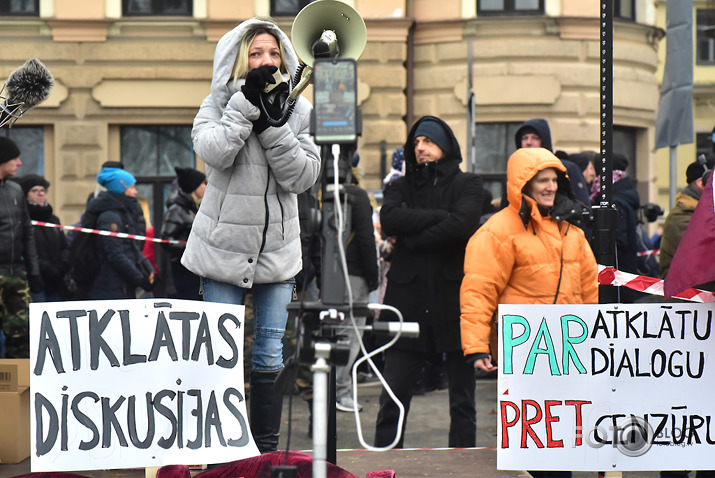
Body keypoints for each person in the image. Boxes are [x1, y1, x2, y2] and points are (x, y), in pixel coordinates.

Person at [180, 17, 320, 454]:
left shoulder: (300, 111)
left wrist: (273, 125)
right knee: (220, 356)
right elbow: (214, 152)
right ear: (240, 59)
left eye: (274, 53)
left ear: (285, 60)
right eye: (256, 53)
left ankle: (265, 451)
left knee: (269, 354)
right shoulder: (218, 102)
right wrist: (246, 106)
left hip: (277, 253)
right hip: (221, 252)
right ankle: (222, 448)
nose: (266, 60)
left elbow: (303, 176)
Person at [461, 147, 596, 478]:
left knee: (561, 442)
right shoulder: (498, 231)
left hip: (567, 354)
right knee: (532, 446)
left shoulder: (573, 233)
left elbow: (589, 291)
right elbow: (479, 289)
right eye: (541, 180)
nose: (550, 187)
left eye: (554, 180)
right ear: (523, 184)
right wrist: (477, 346)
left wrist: (594, 341)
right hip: (523, 354)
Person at [373, 116, 483, 449]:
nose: (420, 147)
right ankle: (384, 463)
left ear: (445, 145)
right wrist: (441, 218)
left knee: (463, 401)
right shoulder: (400, 186)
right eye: (416, 142)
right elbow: (390, 218)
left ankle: (463, 464)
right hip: (406, 302)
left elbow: (463, 224)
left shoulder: (468, 184)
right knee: (393, 397)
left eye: (428, 141)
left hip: (453, 302)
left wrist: (415, 238)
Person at [335, 165, 379, 413]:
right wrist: (373, 277)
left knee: (332, 334)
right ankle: (340, 392)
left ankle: (325, 390)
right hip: (354, 275)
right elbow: (366, 237)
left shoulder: (318, 192)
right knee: (350, 335)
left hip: (329, 275)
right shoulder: (357, 196)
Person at [0, 137, 43, 358]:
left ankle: (18, 388)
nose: (19, 163)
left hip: (16, 274)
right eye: (14, 158)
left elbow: (27, 233)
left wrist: (33, 272)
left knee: (23, 336)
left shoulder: (16, 190)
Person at [85, 167, 156, 299]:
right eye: (132, 187)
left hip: (123, 283)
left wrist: (149, 269)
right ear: (121, 188)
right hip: (111, 287)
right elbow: (115, 254)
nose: (135, 192)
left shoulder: (124, 212)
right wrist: (139, 279)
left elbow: (132, 247)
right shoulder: (110, 217)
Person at [17, 174, 71, 302]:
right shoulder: (22, 218)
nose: (40, 194)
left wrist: (62, 266)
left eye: (42, 191)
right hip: (36, 280)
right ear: (25, 195)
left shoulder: (53, 219)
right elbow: (25, 248)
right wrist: (46, 268)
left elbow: (64, 246)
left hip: (57, 280)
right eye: (34, 191)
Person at [160, 166, 206, 301]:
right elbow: (166, 240)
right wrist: (192, 248)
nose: (205, 187)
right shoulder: (176, 210)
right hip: (183, 274)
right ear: (194, 187)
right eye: (202, 184)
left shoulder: (192, 208)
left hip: (194, 271)